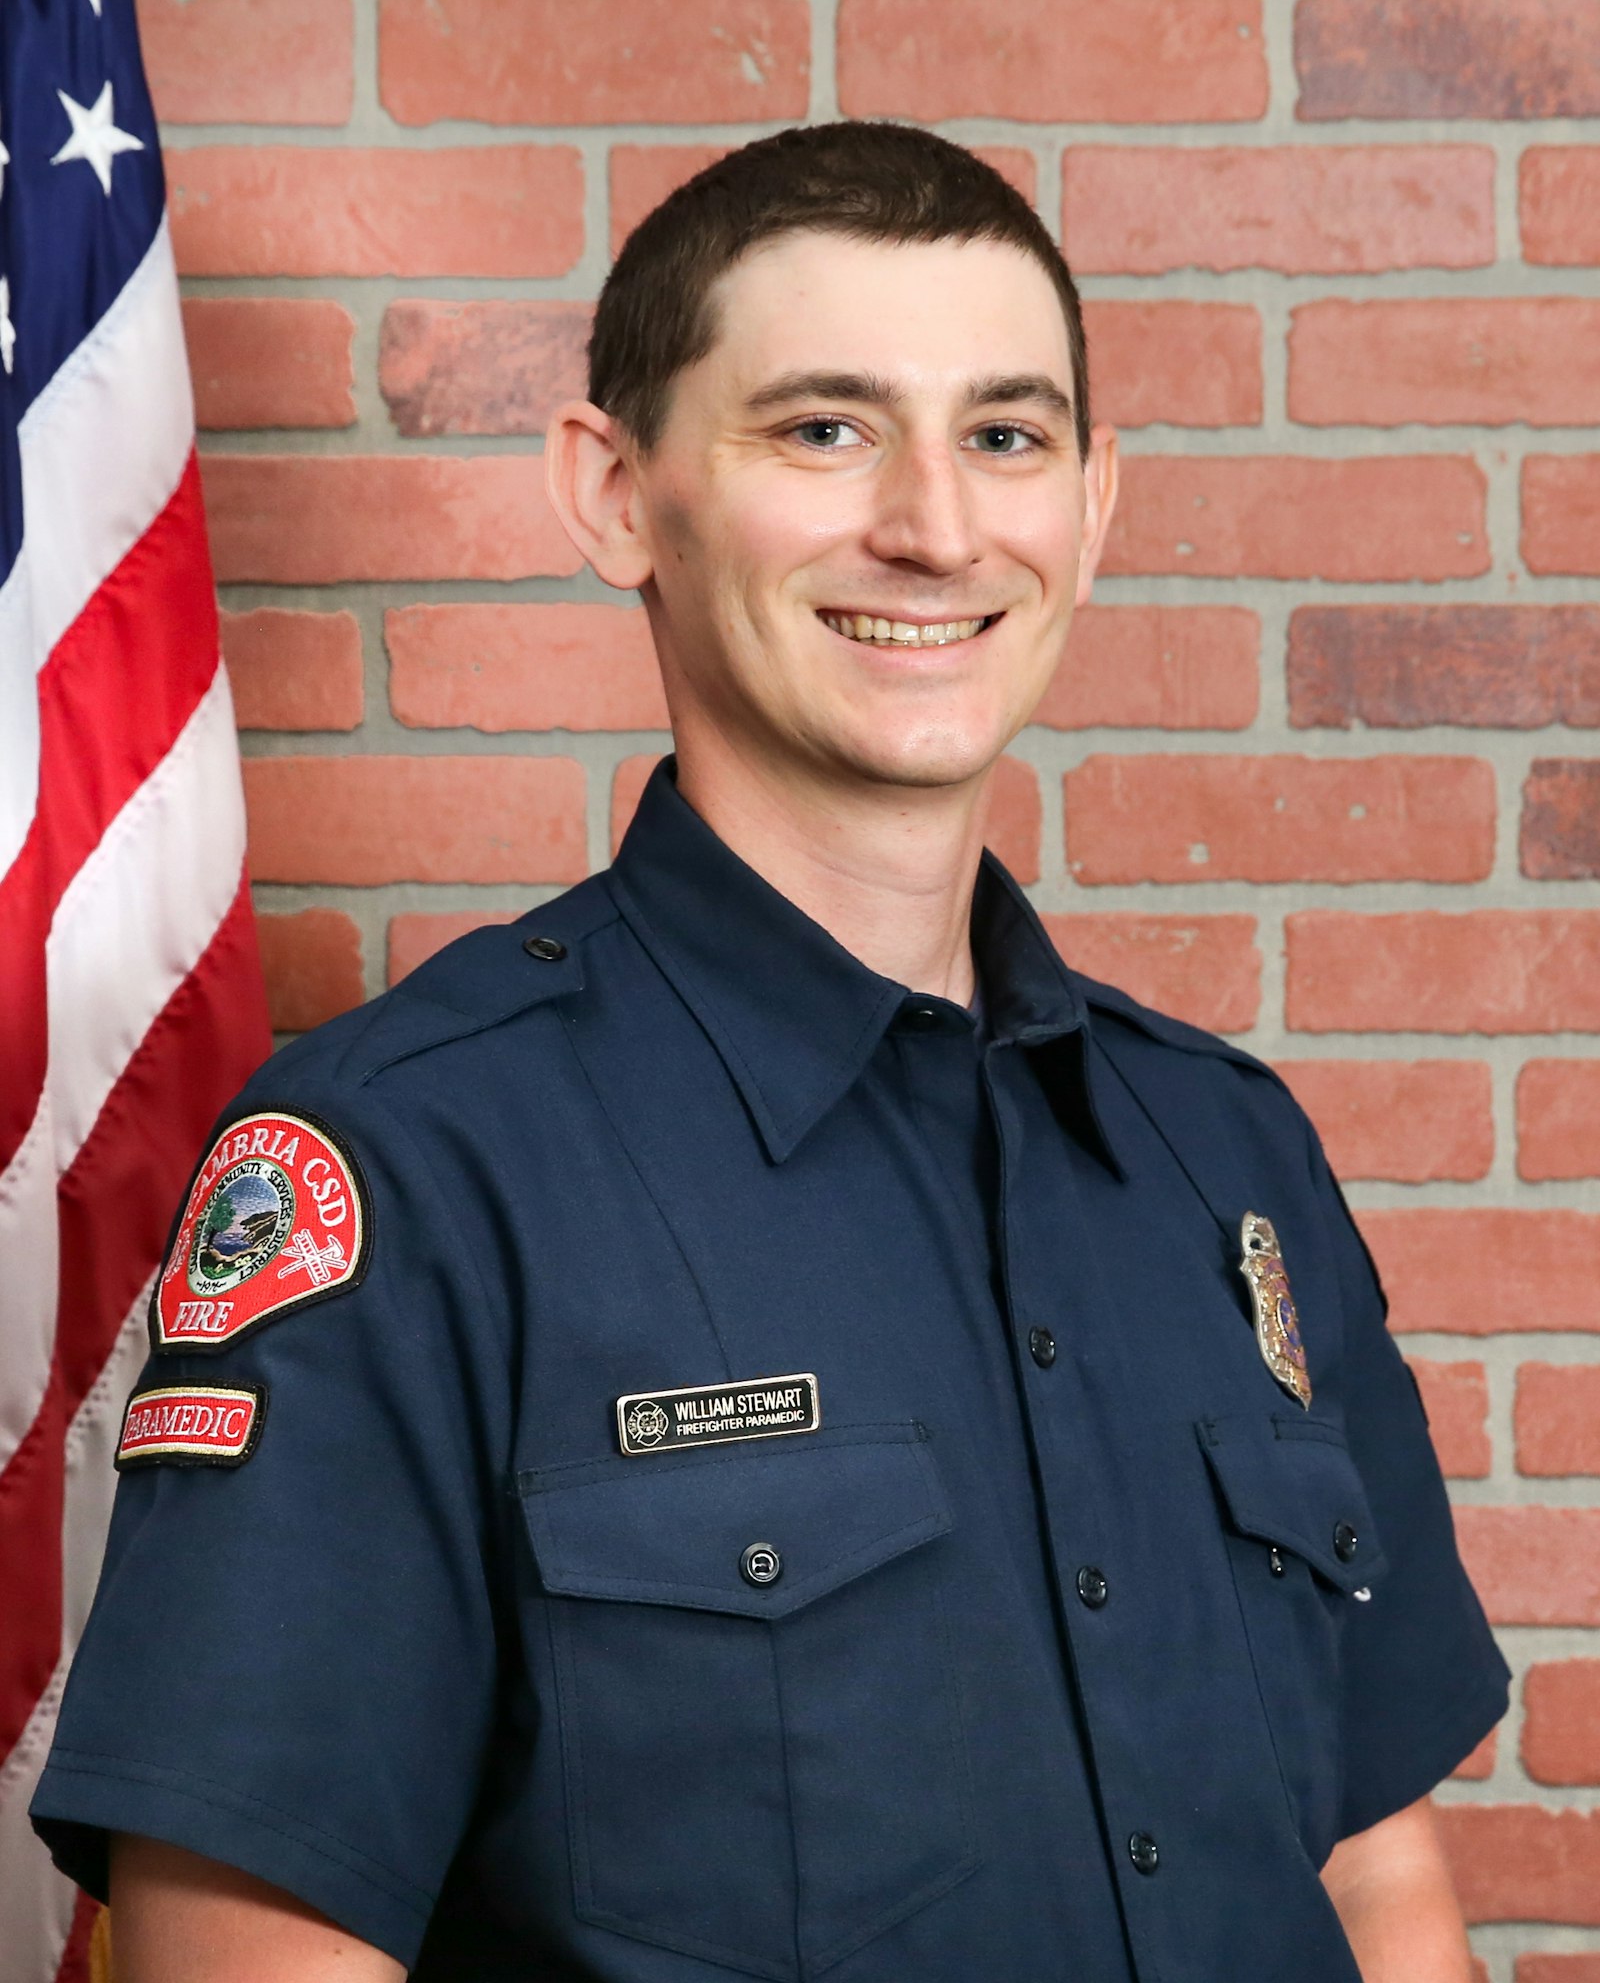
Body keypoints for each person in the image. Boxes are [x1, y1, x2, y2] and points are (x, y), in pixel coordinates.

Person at [33, 122, 1507, 1982]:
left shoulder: (1227, 1154)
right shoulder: (409, 1170)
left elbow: (1378, 1893)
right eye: (824, 429)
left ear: (1094, 504)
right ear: (612, 495)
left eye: (1007, 436)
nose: (939, 528)